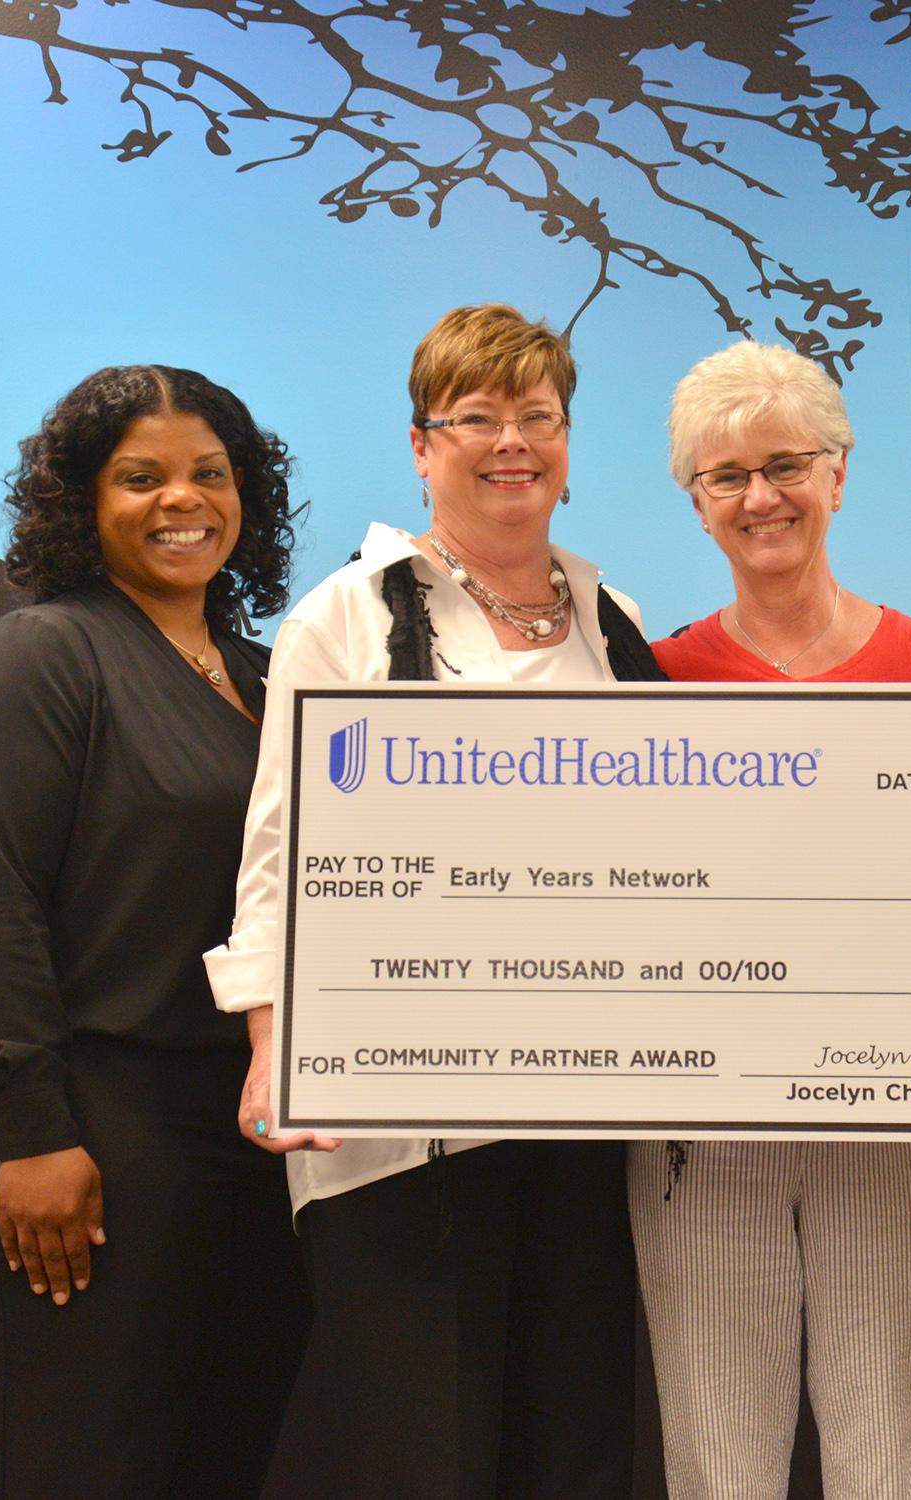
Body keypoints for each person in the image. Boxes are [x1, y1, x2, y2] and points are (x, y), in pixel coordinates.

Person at [206, 303, 661, 1498]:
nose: (512, 442)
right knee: (427, 1454)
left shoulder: (613, 627)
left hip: (579, 1108)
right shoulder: (346, 614)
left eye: (538, 416)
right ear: (422, 444)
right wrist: (271, 1042)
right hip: (395, 1122)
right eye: (477, 418)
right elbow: (276, 850)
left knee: (575, 1449)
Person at [0, 365, 311, 1500]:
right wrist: (30, 1130)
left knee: (217, 1463)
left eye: (210, 475)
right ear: (80, 501)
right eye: (141, 478)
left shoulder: (270, 676)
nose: (183, 501)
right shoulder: (36, 655)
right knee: (83, 1465)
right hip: (81, 1123)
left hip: (235, 1134)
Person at [634, 339, 911, 1500]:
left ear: (839, 475)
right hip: (707, 1133)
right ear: (697, 505)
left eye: (787, 463)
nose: (762, 496)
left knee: (884, 1460)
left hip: (891, 1124)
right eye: (727, 476)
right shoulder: (647, 683)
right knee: (718, 1467)